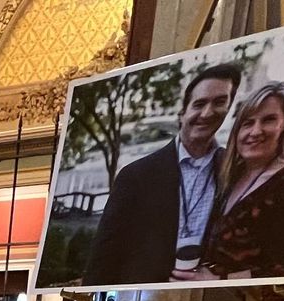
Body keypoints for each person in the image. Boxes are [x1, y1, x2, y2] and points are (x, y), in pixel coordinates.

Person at [81, 63, 240, 285]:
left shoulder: (236, 169)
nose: (207, 113)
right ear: (182, 113)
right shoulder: (136, 176)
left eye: (219, 102)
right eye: (199, 104)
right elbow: (104, 257)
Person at [190, 81, 284, 280]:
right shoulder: (230, 171)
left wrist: (219, 281)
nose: (256, 131)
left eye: (268, 120)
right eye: (248, 123)